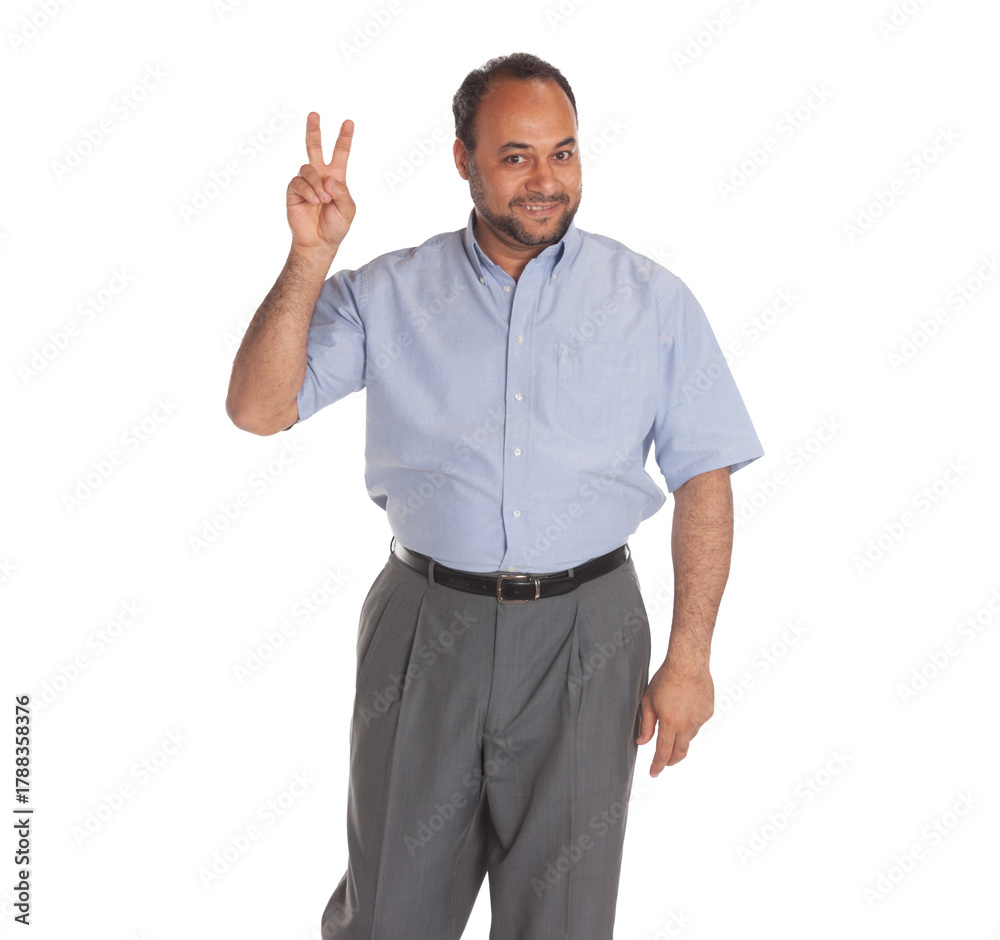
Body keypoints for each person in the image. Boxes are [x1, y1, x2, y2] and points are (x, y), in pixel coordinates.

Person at [226, 52, 763, 940]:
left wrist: (691, 657)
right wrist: (311, 257)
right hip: (424, 625)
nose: (545, 180)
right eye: (516, 157)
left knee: (562, 919)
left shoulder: (652, 301)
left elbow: (705, 476)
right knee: (390, 913)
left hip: (589, 632)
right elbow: (257, 408)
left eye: (563, 153)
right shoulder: (389, 293)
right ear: (462, 160)